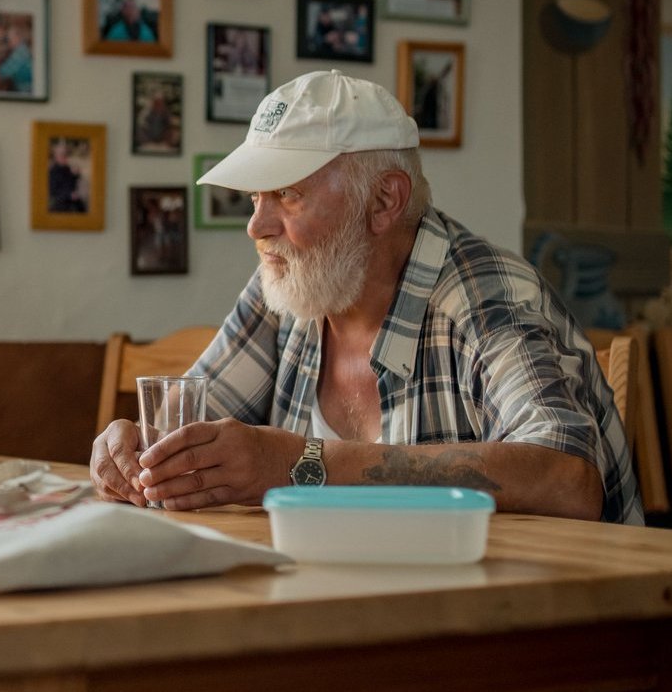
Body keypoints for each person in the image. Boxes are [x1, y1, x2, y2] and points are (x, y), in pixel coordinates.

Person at [90, 70, 640, 525]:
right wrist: (138, 451)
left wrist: (297, 463)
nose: (257, 226)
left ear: (384, 201)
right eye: (257, 197)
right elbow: (188, 440)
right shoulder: (286, 287)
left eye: (287, 193)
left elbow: (566, 478)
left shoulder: (486, 294)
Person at [47, 139, 85, 213]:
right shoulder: (53, 172)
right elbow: (53, 192)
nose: (65, 157)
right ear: (56, 156)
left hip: (73, 202)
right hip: (60, 205)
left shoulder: (67, 168)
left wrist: (76, 175)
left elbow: (71, 183)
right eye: (62, 155)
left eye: (66, 154)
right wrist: (69, 195)